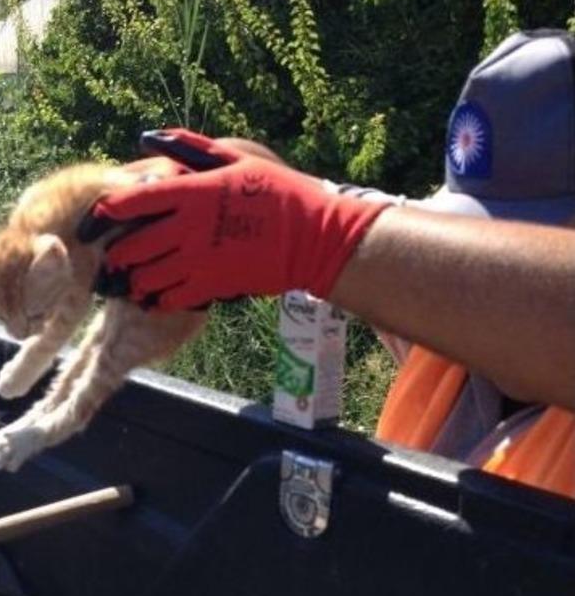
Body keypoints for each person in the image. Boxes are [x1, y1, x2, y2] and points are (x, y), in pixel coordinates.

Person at [85, 29, 575, 495]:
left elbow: (339, 233)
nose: (473, 271)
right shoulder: (451, 330)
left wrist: (312, 236)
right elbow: (338, 214)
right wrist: (217, 181)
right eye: (467, 235)